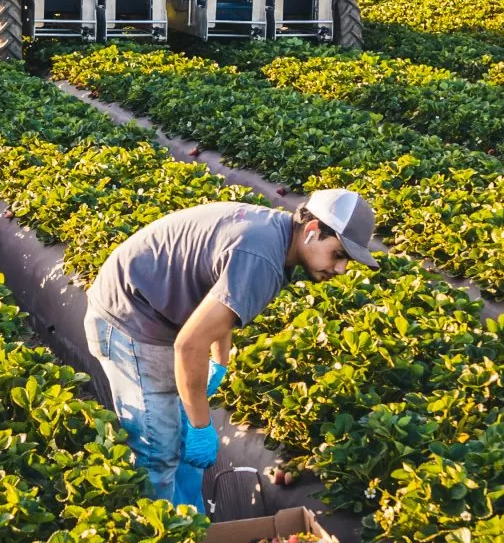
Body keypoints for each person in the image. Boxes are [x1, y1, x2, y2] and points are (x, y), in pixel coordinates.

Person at [84, 189, 378, 510]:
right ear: (311, 231)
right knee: (158, 450)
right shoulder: (263, 258)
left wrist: (220, 361)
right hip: (130, 317)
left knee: (179, 443)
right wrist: (201, 426)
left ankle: (192, 526)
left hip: (153, 309)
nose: (341, 270)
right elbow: (189, 344)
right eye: (338, 254)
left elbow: (216, 294)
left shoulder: (273, 233)